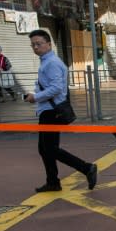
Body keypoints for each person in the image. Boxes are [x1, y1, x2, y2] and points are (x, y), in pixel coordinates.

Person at [26, 30, 97, 193]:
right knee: (44, 149)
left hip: (51, 111)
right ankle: (53, 181)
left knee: (50, 149)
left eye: (39, 43)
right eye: (33, 45)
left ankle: (87, 168)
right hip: (48, 110)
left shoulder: (51, 63)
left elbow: (57, 88)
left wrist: (35, 97)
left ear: (49, 44)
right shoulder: (46, 61)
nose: (35, 47)